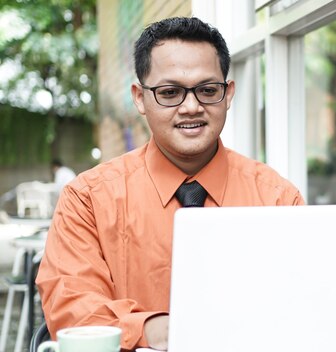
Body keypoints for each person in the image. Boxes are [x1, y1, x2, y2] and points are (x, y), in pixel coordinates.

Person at [36, 17, 305, 351]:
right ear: (139, 97)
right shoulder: (87, 200)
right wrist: (157, 330)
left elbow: (302, 306)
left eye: (208, 90)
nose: (191, 107)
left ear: (228, 93)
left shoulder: (277, 200)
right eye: (170, 93)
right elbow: (70, 308)